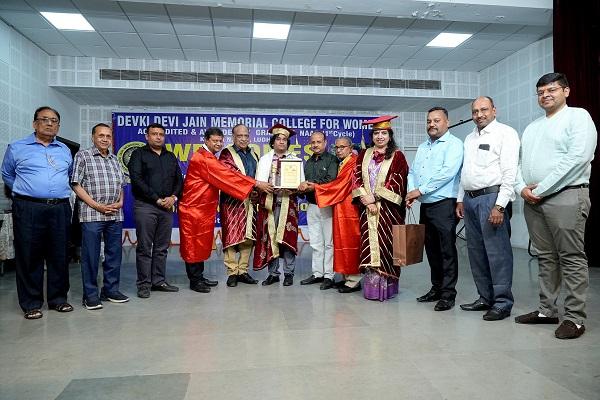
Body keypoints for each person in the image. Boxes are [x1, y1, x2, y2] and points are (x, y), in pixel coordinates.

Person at [514, 73, 597, 339]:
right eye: (540, 92)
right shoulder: (533, 126)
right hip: (533, 199)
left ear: (566, 91)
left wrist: (542, 188)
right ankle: (547, 311)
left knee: (571, 257)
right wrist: (521, 188)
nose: (545, 95)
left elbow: (577, 158)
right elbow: (519, 163)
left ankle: (575, 318)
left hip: (566, 195)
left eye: (552, 90)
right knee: (546, 257)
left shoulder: (578, 117)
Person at [179, 127, 272, 293]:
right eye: (214, 141)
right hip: (194, 208)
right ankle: (196, 281)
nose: (218, 143)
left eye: (220, 141)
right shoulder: (203, 158)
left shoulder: (211, 156)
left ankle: (201, 277)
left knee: (201, 243)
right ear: (206, 140)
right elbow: (227, 176)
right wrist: (256, 184)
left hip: (206, 208)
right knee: (193, 244)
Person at [2, 106, 74, 319]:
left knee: (60, 254)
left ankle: (58, 299)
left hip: (60, 207)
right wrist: (25, 193)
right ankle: (31, 303)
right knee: (29, 255)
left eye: (54, 121)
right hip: (29, 207)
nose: (50, 124)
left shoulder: (64, 150)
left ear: (58, 126)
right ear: (35, 123)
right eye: (44, 119)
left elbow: (68, 175)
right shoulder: (17, 148)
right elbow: (7, 174)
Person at [456, 96, 520, 321]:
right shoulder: (470, 137)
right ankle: (485, 297)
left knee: (497, 253)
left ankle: (502, 302)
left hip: (492, 198)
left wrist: (500, 205)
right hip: (471, 200)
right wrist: (460, 199)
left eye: (484, 110)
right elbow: (466, 172)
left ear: (494, 110)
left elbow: (510, 172)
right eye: (475, 111)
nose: (479, 114)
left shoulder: (506, 133)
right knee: (476, 252)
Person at [406, 107, 463, 311]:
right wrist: (413, 190)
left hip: (444, 204)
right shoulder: (422, 147)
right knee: (431, 250)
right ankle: (436, 288)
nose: (432, 124)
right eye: (429, 121)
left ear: (447, 122)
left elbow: (447, 173)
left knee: (446, 250)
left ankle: (448, 294)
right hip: (426, 204)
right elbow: (412, 172)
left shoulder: (454, 145)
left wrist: (419, 190)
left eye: (437, 120)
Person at [71, 123, 129, 310]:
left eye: (108, 136)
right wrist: (97, 205)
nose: (105, 139)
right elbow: (75, 184)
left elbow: (121, 185)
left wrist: (120, 202)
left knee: (114, 255)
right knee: (91, 256)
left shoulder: (114, 159)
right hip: (92, 214)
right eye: (101, 135)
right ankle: (90, 295)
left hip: (114, 213)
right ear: (93, 137)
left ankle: (111, 290)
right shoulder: (83, 156)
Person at [352, 116, 408, 301]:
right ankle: (372, 290)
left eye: (384, 133)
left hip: (388, 211)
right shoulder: (364, 154)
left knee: (387, 248)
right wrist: (366, 201)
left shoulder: (397, 156)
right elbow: (356, 178)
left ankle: (388, 289)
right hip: (367, 211)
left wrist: (375, 197)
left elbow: (398, 182)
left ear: (390, 136)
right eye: (376, 133)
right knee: (369, 246)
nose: (380, 136)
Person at [128, 123, 183, 299]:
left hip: (167, 207)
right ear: (147, 136)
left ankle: (158, 281)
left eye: (161, 134)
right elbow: (136, 179)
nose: (158, 137)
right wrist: (156, 199)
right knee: (145, 248)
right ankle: (144, 284)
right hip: (146, 206)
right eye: (154, 134)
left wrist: (173, 197)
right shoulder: (138, 154)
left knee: (161, 248)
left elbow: (179, 180)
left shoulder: (170, 156)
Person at [254, 124, 305, 286]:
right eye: (278, 139)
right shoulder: (264, 160)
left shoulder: (295, 160)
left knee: (287, 237)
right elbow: (257, 183)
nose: (281, 142)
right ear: (273, 142)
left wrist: (294, 189)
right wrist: (263, 186)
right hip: (268, 203)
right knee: (270, 238)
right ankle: (273, 273)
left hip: (288, 203)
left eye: (284, 139)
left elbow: (301, 184)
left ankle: (289, 273)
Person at [312, 137, 362, 293]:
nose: (339, 150)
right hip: (340, 207)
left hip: (350, 209)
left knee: (350, 242)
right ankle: (346, 277)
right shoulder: (342, 162)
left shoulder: (353, 162)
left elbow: (339, 184)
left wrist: (316, 187)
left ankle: (354, 280)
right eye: (337, 147)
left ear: (350, 147)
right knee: (340, 243)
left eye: (343, 147)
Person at [219, 124, 262, 287]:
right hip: (232, 201)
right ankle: (232, 272)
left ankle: (243, 271)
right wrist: (252, 186)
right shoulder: (226, 154)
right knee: (231, 236)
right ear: (233, 137)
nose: (243, 139)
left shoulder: (253, 154)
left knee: (248, 237)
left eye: (245, 135)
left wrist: (257, 191)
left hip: (251, 201)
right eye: (239, 136)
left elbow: (259, 175)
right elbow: (230, 176)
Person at [298, 131, 338, 290]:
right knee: (315, 242)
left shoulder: (331, 160)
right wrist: (301, 187)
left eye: (318, 142)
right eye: (313, 142)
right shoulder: (308, 162)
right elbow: (304, 184)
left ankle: (329, 275)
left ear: (325, 143)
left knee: (329, 243)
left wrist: (310, 184)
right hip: (312, 205)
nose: (315, 145)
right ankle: (317, 273)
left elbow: (330, 180)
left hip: (327, 206)